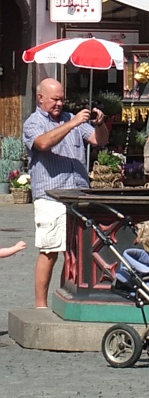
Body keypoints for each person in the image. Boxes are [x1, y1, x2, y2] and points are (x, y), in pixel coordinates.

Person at [22, 78, 108, 309]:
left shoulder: (72, 118)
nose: (60, 103)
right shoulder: (34, 122)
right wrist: (71, 124)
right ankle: (40, 306)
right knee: (50, 250)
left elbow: (99, 140)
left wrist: (100, 124)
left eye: (62, 99)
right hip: (51, 195)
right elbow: (42, 144)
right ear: (41, 98)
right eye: (55, 99)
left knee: (75, 254)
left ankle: (64, 301)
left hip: (78, 195)